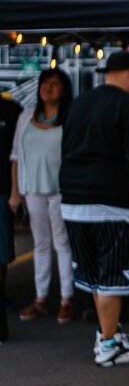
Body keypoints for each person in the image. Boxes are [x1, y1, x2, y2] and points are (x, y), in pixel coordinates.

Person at [60, 50, 129, 367]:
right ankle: (109, 345)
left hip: (73, 202)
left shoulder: (79, 103)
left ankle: (106, 334)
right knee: (112, 276)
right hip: (113, 204)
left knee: (95, 276)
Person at [9, 69, 75, 324]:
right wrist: (16, 191)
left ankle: (67, 299)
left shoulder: (69, 119)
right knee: (41, 245)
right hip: (33, 190)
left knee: (62, 243)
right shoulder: (26, 117)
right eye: (45, 83)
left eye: (55, 83)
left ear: (64, 90)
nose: (48, 88)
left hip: (61, 191)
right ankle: (40, 298)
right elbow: (15, 156)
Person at [0, 93, 22, 343]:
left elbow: (17, 152)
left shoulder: (10, 110)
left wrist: (16, 191)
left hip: (1, 191)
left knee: (2, 255)